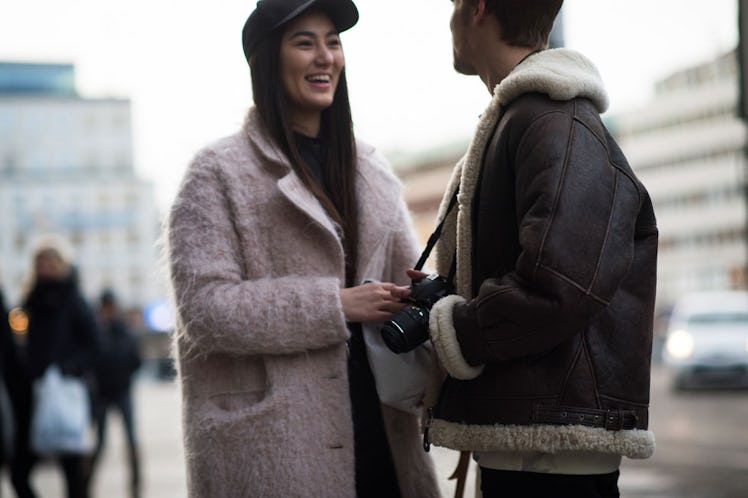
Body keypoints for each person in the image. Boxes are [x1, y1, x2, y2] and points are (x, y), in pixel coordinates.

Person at [165, 0, 439, 496]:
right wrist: (334, 305)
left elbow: (409, 277)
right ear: (267, 59)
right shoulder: (217, 173)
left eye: (333, 42)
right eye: (305, 42)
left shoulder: (372, 172)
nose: (325, 57)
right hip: (277, 450)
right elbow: (204, 311)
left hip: (383, 437)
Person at [415, 1, 659, 497]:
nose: (449, 19)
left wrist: (456, 326)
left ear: (478, 8)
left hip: (549, 460)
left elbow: (559, 284)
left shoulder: (556, 118)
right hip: (530, 447)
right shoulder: (535, 117)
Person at [11, 241, 100, 498]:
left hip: (66, 390)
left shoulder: (74, 299)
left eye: (50, 263)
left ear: (61, 265)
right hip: (34, 393)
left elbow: (95, 344)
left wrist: (67, 367)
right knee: (19, 473)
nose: (45, 269)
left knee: (72, 471)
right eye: (40, 263)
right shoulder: (29, 302)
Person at [86, 289, 141, 498]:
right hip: (102, 393)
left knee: (131, 439)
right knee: (99, 442)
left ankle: (136, 486)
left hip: (121, 391)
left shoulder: (123, 329)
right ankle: (86, 485)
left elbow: (135, 360)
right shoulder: (97, 330)